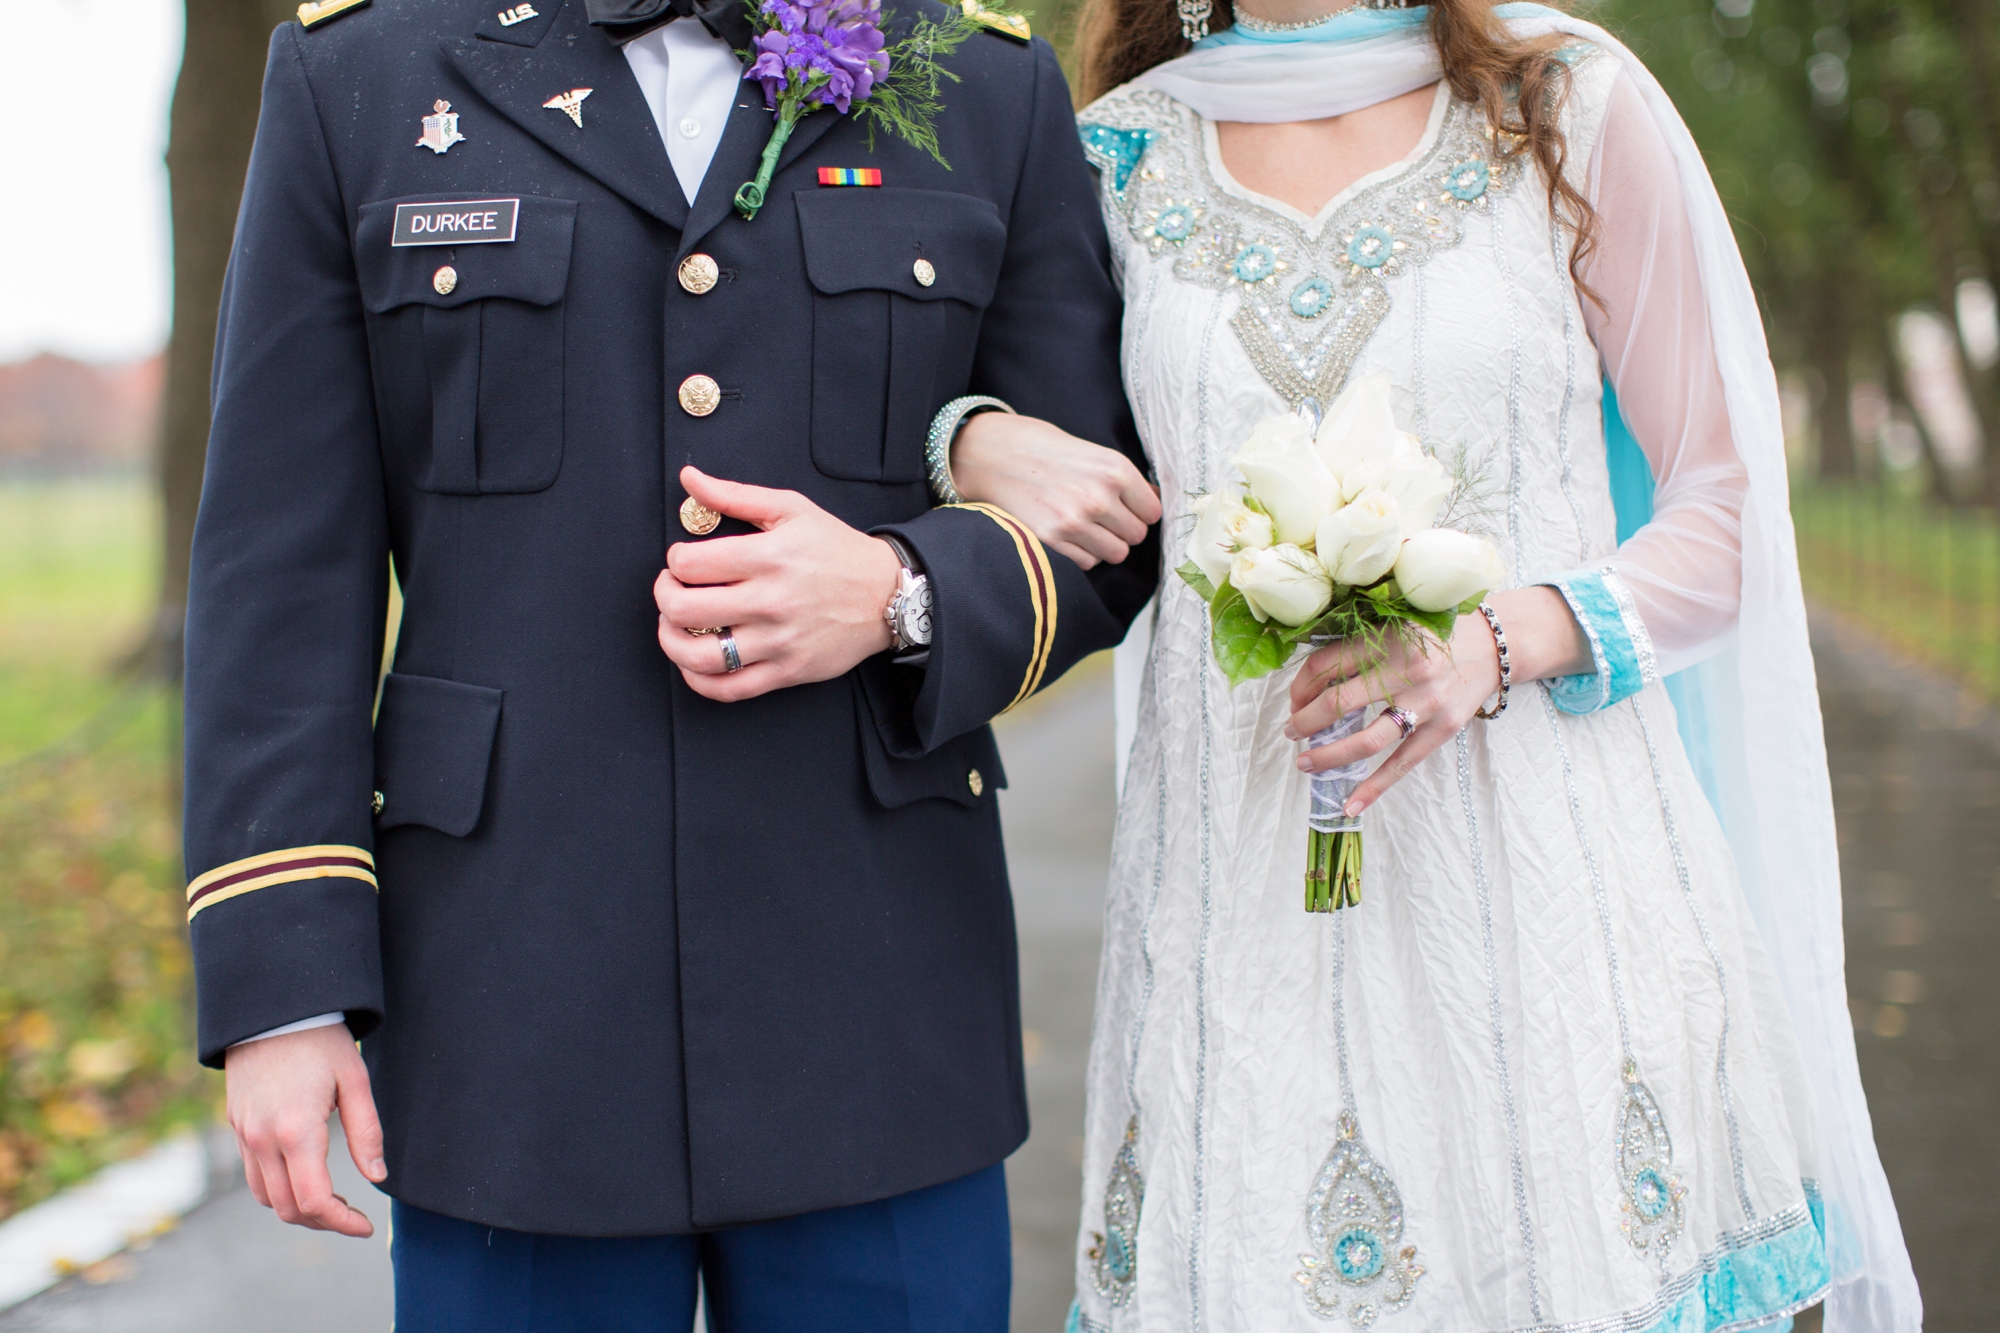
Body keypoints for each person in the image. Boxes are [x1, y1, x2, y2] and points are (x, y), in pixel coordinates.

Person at [179, 0, 1161, 1325]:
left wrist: (904, 592)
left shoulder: (983, 80)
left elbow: (1108, 522)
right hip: (511, 1011)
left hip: (873, 1002)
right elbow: (279, 566)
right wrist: (282, 990)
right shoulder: (361, 70)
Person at [943, 0, 1923, 1327]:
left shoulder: (1567, 107)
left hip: (1553, 914)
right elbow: (1020, 448)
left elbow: (1725, 516)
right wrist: (968, 436)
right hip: (1237, 926)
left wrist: (1496, 641)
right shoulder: (1110, 158)